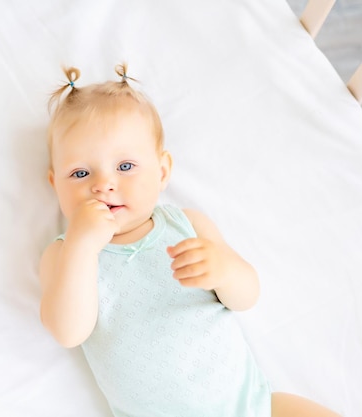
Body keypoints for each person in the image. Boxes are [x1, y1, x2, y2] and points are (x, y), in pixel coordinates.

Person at [39, 63, 341, 417]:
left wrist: (224, 271)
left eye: (125, 167)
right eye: (80, 173)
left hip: (251, 405)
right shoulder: (64, 254)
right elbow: (68, 332)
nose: (104, 184)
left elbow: (246, 296)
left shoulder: (188, 224)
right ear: (55, 184)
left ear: (162, 171)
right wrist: (82, 245)